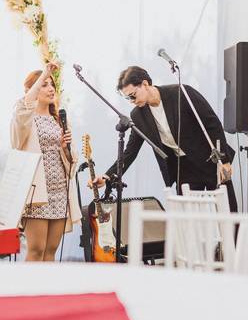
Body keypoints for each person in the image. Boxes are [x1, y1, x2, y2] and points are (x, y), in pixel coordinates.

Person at [90, 65, 238, 211]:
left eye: (132, 95)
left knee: (228, 213)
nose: (131, 101)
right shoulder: (138, 115)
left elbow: (212, 124)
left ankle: (234, 236)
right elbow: (130, 152)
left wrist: (224, 161)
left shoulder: (181, 93)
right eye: (127, 98)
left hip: (210, 160)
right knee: (187, 221)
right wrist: (108, 176)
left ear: (145, 84)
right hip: (184, 168)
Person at [12, 62, 81, 261]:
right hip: (38, 194)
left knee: (50, 250)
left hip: (59, 192)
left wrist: (65, 147)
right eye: (44, 84)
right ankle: (28, 291)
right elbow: (24, 106)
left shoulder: (57, 119)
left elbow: (72, 158)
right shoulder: (25, 118)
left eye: (52, 84)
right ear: (32, 90)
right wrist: (45, 73)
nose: (50, 88)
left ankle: (48, 291)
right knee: (36, 250)